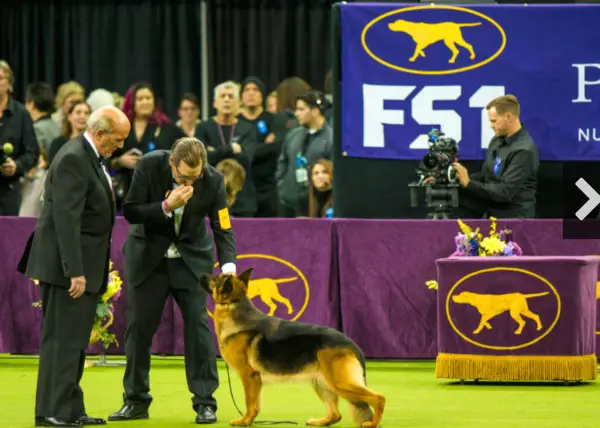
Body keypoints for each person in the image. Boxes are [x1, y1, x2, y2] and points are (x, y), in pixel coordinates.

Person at [108, 137, 237, 425]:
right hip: (148, 259)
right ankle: (135, 401)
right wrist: (166, 205)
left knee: (199, 330)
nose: (190, 182)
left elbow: (222, 226)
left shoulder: (214, 179)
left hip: (191, 262)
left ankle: (205, 402)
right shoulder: (148, 165)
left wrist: (228, 266)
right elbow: (131, 211)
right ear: (171, 163)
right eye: (183, 176)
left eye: (196, 176)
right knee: (139, 331)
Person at [20, 106, 130, 427]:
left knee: (76, 342)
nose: (120, 146)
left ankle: (70, 409)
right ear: (100, 134)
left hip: (77, 266)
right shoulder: (73, 158)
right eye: (118, 139)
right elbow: (66, 220)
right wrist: (75, 271)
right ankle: (52, 412)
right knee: (61, 341)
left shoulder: (86, 156)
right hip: (66, 270)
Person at [451, 94, 539, 219]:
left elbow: (504, 192)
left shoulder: (524, 150)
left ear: (508, 116)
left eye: (493, 121)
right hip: (491, 215)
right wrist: (454, 179)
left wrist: (469, 183)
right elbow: (486, 176)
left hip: (515, 221)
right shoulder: (497, 140)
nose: (491, 126)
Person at [0, 60, 40, 216]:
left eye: (0, 78)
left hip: (8, 191)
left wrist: (16, 166)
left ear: (9, 83)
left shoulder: (21, 114)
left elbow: (32, 153)